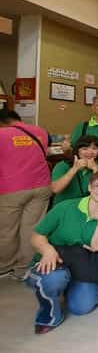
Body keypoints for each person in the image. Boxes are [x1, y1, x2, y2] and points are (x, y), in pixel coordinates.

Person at [25, 171, 98, 334]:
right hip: (55, 260)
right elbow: (36, 236)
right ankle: (49, 315)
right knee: (54, 279)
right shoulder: (65, 207)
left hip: (83, 266)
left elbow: (97, 247)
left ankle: (74, 287)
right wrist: (48, 250)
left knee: (81, 308)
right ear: (89, 187)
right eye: (97, 185)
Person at [0, 109, 52, 280]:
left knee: (7, 230)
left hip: (11, 188)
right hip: (42, 186)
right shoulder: (40, 131)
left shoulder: (2, 134)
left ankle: (4, 267)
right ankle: (23, 269)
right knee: (32, 229)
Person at [50, 135, 98, 207]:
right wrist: (74, 169)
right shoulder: (63, 165)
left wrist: (96, 170)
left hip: (88, 207)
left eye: (94, 148)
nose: (90, 152)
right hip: (64, 207)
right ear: (77, 150)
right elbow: (55, 189)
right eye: (85, 149)